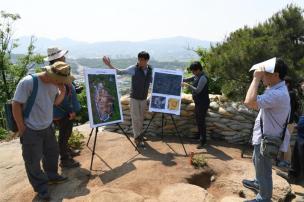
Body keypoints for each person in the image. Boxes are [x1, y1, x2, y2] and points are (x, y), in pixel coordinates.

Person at [12, 61, 74, 200]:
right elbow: (16, 105)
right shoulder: (28, 82)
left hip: (47, 127)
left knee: (52, 154)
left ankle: (52, 176)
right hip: (31, 130)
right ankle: (41, 188)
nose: (61, 82)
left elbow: (54, 102)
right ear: (52, 75)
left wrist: (63, 91)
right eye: (60, 80)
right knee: (33, 161)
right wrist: (22, 128)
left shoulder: (54, 84)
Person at [242, 58, 290, 202]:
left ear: (276, 75)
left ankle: (264, 197)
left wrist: (256, 79)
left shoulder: (277, 94)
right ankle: (258, 182)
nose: (262, 75)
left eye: (265, 73)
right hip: (263, 135)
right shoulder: (275, 88)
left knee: (264, 169)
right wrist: (261, 77)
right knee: (257, 162)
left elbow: (249, 101)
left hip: (267, 138)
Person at [103, 51, 152, 147]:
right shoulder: (134, 69)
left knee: (141, 118)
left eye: (142, 60)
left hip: (143, 98)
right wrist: (109, 65)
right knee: (135, 118)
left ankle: (139, 135)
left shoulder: (149, 70)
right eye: (139, 59)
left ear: (147, 60)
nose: (140, 61)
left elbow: (152, 80)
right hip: (134, 98)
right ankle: (137, 138)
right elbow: (120, 72)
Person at [45, 47, 81, 168]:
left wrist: (75, 89)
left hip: (63, 110)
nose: (65, 57)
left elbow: (67, 90)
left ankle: (67, 151)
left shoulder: (56, 70)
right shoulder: (56, 73)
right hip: (63, 111)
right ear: (57, 58)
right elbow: (60, 95)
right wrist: (70, 110)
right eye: (63, 56)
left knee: (66, 133)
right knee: (64, 134)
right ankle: (65, 159)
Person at [182, 61, 210, 149]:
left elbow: (198, 90)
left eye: (193, 71)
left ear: (198, 70)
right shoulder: (196, 76)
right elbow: (186, 79)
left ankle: (203, 141)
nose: (193, 73)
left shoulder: (203, 78)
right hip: (198, 102)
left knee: (201, 121)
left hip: (203, 103)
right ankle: (200, 136)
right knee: (198, 120)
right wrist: (177, 77)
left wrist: (187, 85)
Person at [288, 79, 304, 183]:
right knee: (297, 151)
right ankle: (294, 175)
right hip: (301, 131)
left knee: (302, 152)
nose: (302, 86)